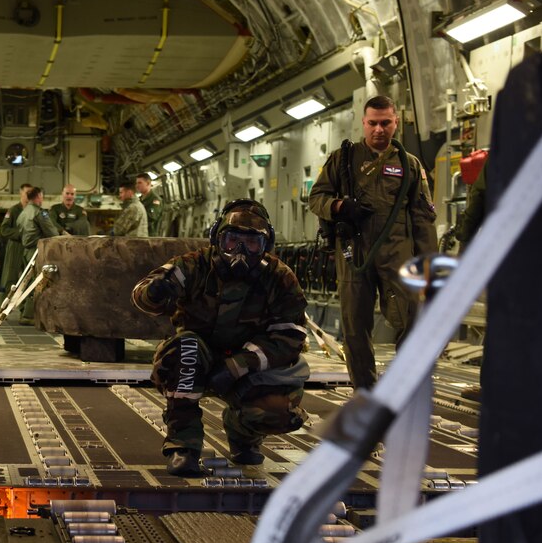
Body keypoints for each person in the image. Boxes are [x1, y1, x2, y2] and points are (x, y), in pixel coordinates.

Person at [132, 199, 310, 476]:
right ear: (217, 238)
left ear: (265, 245)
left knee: (281, 411)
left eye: (251, 244)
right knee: (185, 349)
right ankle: (184, 445)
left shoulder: (279, 277)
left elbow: (290, 336)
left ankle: (243, 435)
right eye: (232, 241)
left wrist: (237, 365)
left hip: (249, 366)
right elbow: (143, 293)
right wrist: (154, 292)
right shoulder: (194, 265)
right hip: (198, 356)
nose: (239, 251)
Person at [309, 95, 437, 390]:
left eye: (386, 123)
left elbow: (423, 219)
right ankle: (364, 390)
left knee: (410, 319)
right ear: (363, 123)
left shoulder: (410, 166)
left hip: (397, 254)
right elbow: (316, 198)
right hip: (355, 253)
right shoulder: (343, 160)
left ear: (396, 123)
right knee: (355, 326)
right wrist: (340, 207)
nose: (379, 129)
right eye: (373, 123)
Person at [18, 187, 59, 325]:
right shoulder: (39, 213)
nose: (42, 199)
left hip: (25, 251)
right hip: (36, 251)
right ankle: (29, 315)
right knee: (36, 282)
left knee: (26, 282)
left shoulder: (24, 212)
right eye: (41, 196)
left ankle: (23, 309)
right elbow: (52, 232)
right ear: (38, 196)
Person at [0, 183, 33, 299]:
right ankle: (2, 309)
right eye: (27, 192)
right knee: (9, 277)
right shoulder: (14, 210)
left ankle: (25, 312)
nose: (29, 195)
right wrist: (20, 233)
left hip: (29, 248)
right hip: (15, 247)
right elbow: (4, 230)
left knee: (27, 278)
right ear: (21, 193)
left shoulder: (33, 210)